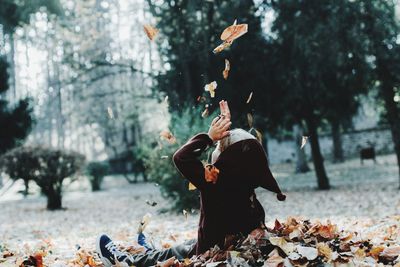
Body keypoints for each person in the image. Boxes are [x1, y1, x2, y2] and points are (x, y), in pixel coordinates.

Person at [96, 100, 285, 266]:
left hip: (208, 255)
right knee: (185, 246)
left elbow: (181, 157)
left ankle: (124, 261)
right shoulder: (246, 186)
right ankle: (149, 251)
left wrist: (210, 137)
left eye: (221, 146)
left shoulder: (214, 184)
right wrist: (226, 135)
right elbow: (243, 156)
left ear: (227, 159)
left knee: (176, 253)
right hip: (216, 246)